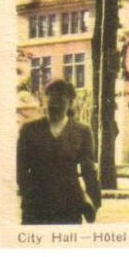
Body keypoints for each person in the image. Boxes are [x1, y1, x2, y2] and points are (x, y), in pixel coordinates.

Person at [17, 79, 101, 224]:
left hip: (69, 206)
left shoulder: (82, 131)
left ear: (69, 103)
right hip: (36, 206)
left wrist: (93, 201)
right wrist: (28, 194)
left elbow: (89, 171)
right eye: (51, 104)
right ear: (45, 102)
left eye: (59, 103)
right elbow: (20, 169)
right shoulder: (29, 130)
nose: (54, 107)